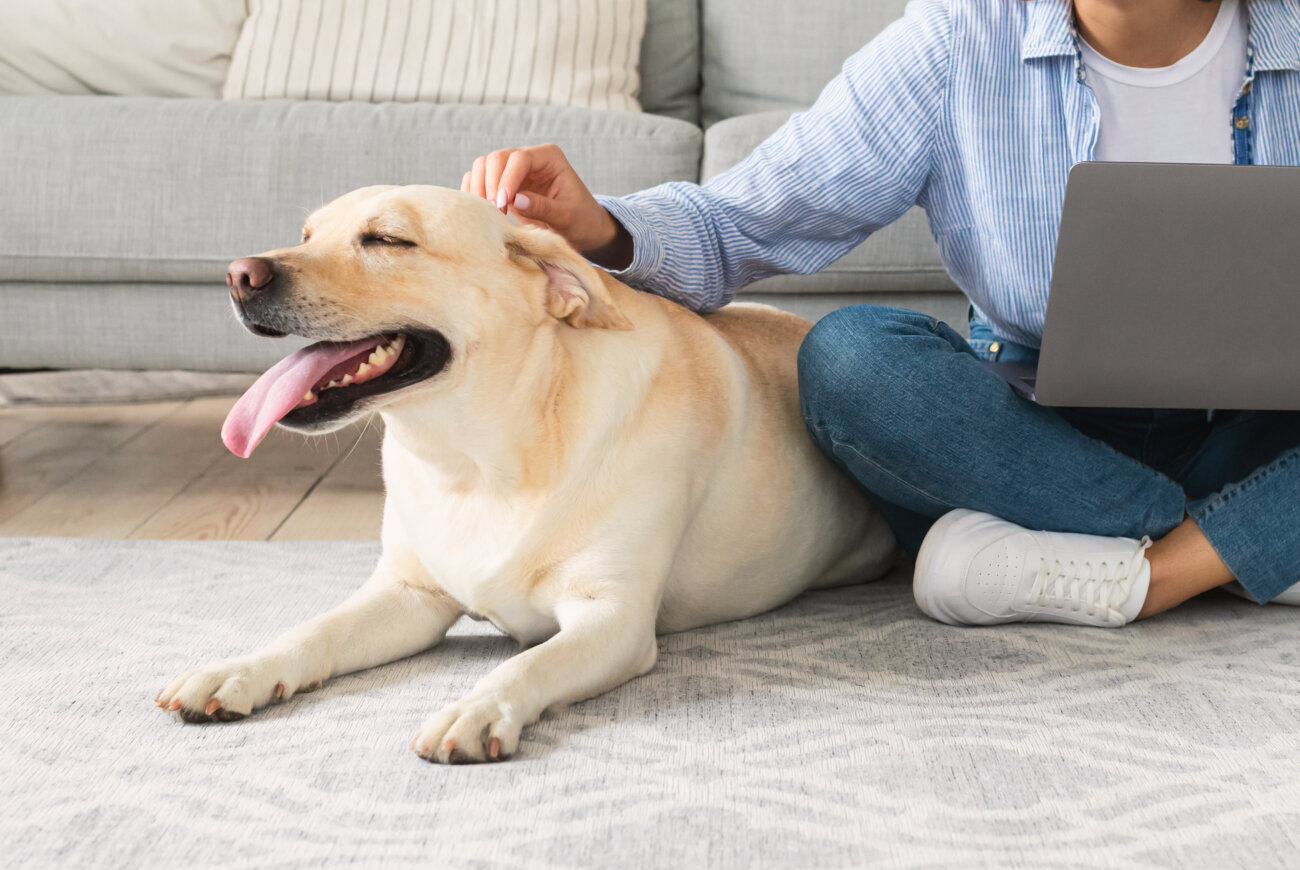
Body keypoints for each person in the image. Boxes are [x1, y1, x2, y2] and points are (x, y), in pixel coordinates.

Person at [462, 0, 1300, 628]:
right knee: (852, 359)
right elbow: (744, 223)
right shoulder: (958, 38)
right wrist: (599, 227)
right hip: (1029, 445)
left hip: (1263, 426)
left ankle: (1150, 577)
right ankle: (1248, 542)